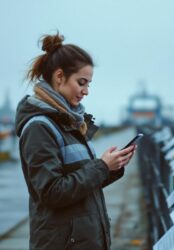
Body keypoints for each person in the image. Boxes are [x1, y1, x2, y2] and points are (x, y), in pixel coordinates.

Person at [15, 32, 136, 250]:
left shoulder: (70, 123)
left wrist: (112, 167)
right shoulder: (39, 128)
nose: (86, 91)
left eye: (89, 84)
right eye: (82, 83)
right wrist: (101, 166)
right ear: (59, 77)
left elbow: (80, 183)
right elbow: (52, 192)